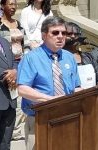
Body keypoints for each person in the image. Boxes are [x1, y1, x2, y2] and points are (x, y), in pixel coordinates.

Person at [17, 16, 81, 150]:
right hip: (39, 119)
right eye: (55, 33)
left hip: (68, 118)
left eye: (64, 33)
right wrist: (51, 100)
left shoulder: (69, 57)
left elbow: (76, 87)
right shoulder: (31, 58)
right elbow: (22, 89)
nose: (60, 36)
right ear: (44, 35)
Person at [0, 0, 29, 141]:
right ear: (2, 5)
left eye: (15, 4)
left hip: (18, 64)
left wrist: (17, 69)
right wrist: (8, 72)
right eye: (10, 4)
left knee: (18, 99)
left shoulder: (18, 24)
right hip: (5, 68)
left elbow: (23, 45)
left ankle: (16, 132)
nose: (13, 7)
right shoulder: (0, 25)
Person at [0, 36, 17, 150]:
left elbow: (14, 61)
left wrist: (15, 71)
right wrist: (7, 75)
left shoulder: (4, 41)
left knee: (5, 141)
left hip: (10, 98)